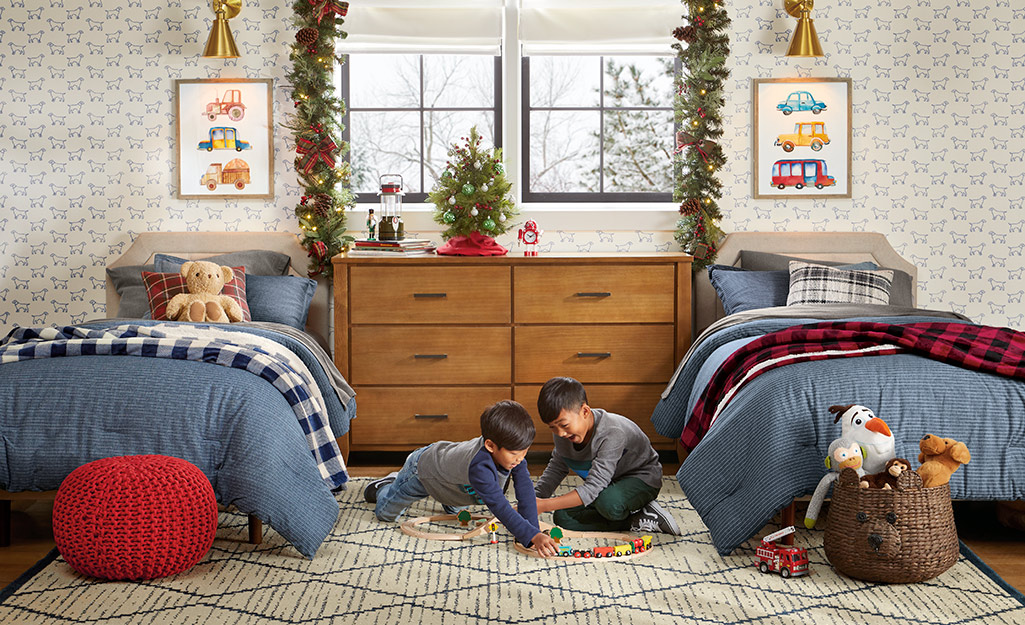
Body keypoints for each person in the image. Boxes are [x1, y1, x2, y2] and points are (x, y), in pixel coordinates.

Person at [363, 400, 560, 557]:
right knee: (385, 514)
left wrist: (532, 533)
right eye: (516, 453)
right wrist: (533, 535)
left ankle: (447, 498)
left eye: (525, 452)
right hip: (422, 472)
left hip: (454, 483)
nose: (521, 458)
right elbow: (500, 507)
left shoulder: (514, 455)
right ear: (491, 446)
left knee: (458, 509)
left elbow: (525, 491)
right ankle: (386, 485)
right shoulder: (479, 467)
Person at [533, 377, 681, 535]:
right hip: (607, 485)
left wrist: (545, 505)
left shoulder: (611, 432)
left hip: (642, 479)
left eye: (564, 425)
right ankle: (635, 519)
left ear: (585, 411)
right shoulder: (563, 435)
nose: (560, 433)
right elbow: (556, 469)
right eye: (553, 428)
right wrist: (532, 501)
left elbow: (592, 488)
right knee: (563, 517)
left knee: (609, 503)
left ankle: (645, 511)